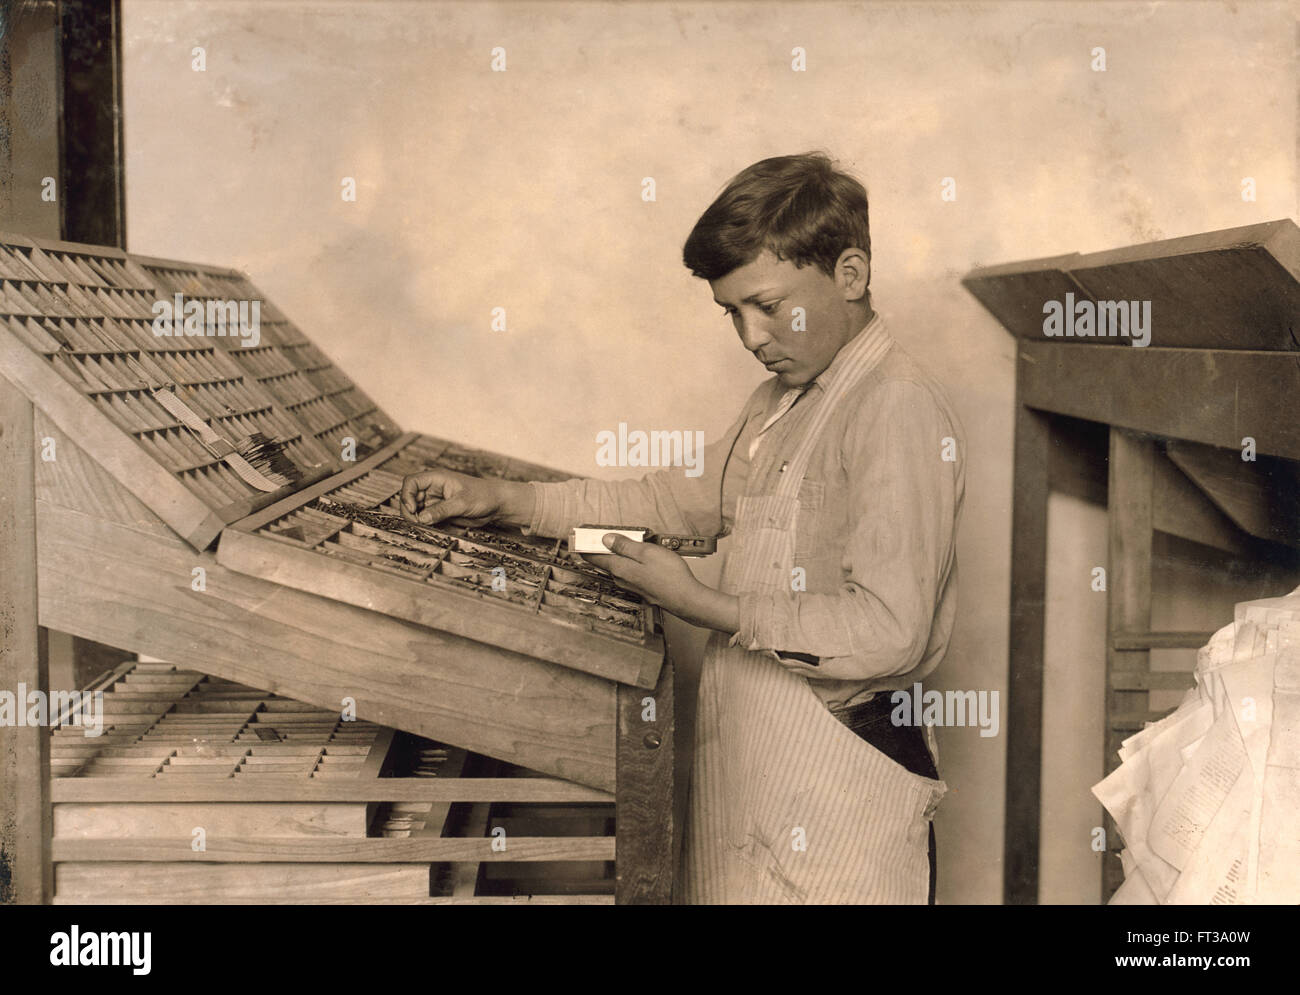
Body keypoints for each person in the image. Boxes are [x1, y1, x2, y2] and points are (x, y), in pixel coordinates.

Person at [400, 152, 965, 904]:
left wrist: (703, 603)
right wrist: (501, 499)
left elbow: (890, 627)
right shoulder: (783, 400)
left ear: (851, 274)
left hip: (844, 779)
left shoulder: (896, 406)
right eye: (733, 313)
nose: (750, 335)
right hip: (759, 767)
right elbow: (677, 502)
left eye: (767, 304)